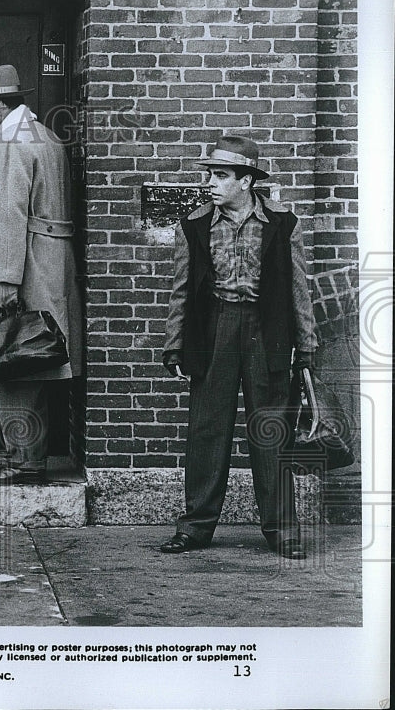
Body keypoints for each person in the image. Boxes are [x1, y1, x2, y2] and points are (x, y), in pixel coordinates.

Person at [160, 135, 317, 560]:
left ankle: (282, 530)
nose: (211, 182)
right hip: (215, 332)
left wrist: (305, 347)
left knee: (270, 432)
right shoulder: (193, 225)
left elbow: (298, 290)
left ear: (246, 181)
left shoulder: (284, 224)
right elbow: (180, 291)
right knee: (207, 431)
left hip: (268, 333)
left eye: (221, 175)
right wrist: (175, 346)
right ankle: (195, 528)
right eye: (210, 174)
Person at [0, 64, 83, 483]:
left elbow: (9, 216)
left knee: (12, 364)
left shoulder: (9, 142)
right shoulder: (43, 135)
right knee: (34, 363)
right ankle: (30, 457)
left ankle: (23, 461)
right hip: (50, 267)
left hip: (22, 269)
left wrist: (6, 282)